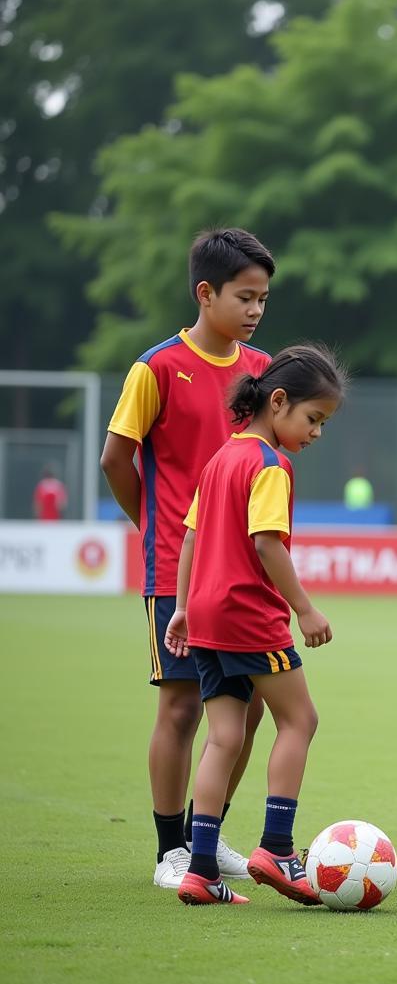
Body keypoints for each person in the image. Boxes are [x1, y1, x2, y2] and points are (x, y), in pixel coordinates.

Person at [100, 228, 275, 890]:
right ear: (206, 293)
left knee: (251, 706)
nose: (257, 310)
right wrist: (154, 524)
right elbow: (116, 457)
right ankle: (170, 851)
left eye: (263, 298)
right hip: (177, 568)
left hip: (245, 576)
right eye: (245, 296)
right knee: (181, 707)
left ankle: (210, 835)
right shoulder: (155, 368)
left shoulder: (263, 374)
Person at [164, 344, 346, 906]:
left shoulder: (221, 458)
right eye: (313, 419)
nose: (316, 433)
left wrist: (182, 608)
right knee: (300, 720)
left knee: (223, 738)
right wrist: (305, 608)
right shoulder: (270, 465)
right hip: (248, 614)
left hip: (209, 618)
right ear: (278, 400)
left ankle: (199, 872)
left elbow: (192, 535)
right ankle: (277, 847)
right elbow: (266, 542)